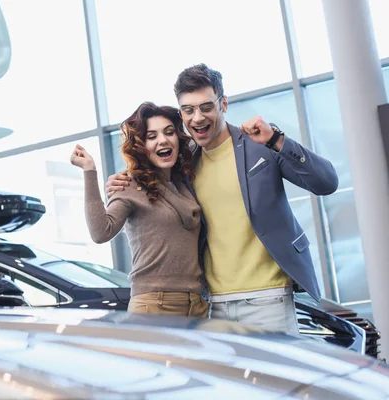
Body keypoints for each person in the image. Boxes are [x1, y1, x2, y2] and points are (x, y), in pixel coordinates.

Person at [106, 64, 338, 333]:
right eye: (188, 110)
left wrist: (276, 140)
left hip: (268, 298)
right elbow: (151, 183)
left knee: (273, 377)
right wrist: (120, 182)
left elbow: (326, 182)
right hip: (212, 305)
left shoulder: (259, 143)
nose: (197, 117)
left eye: (206, 107)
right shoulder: (184, 162)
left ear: (223, 104)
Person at [70, 102, 208, 317]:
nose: (163, 140)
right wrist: (90, 171)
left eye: (169, 132)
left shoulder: (184, 184)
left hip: (195, 303)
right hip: (154, 304)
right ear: (141, 146)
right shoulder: (130, 185)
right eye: (151, 136)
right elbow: (100, 232)